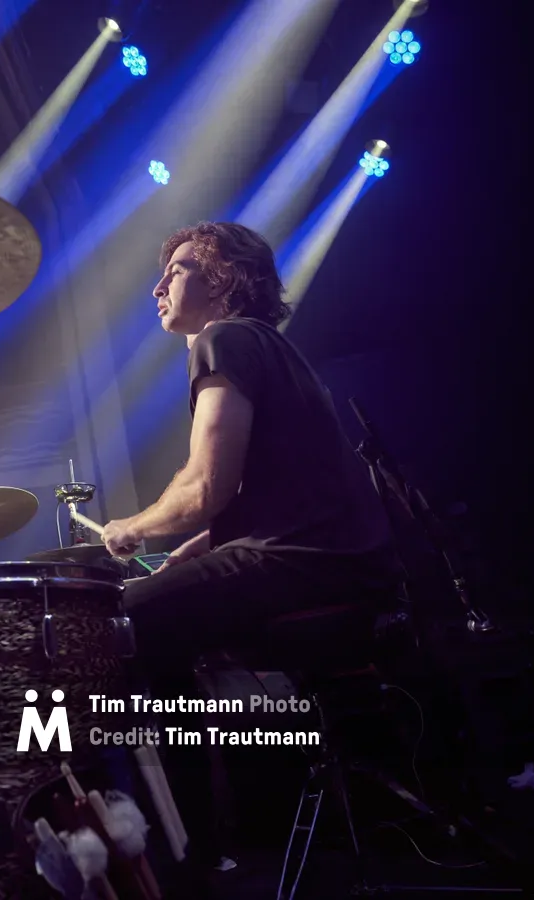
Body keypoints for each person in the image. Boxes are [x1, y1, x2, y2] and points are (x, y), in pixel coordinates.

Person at [100, 222, 397, 879]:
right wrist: (191, 555)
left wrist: (134, 527)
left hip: (303, 564)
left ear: (223, 276)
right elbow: (273, 495)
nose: (157, 286)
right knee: (162, 629)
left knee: (114, 626)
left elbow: (206, 486)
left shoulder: (223, 339)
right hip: (339, 558)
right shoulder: (274, 349)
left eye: (177, 269)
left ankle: (181, 857)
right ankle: (203, 846)